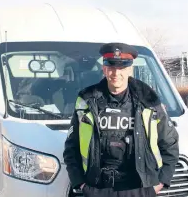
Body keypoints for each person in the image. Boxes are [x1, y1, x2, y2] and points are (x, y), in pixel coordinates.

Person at [63, 42, 179, 197]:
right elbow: (71, 147)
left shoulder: (148, 100)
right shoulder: (86, 100)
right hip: (97, 188)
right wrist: (81, 183)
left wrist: (160, 183)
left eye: (122, 67)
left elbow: (170, 143)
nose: (116, 73)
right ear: (104, 68)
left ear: (130, 69)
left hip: (138, 188)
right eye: (111, 67)